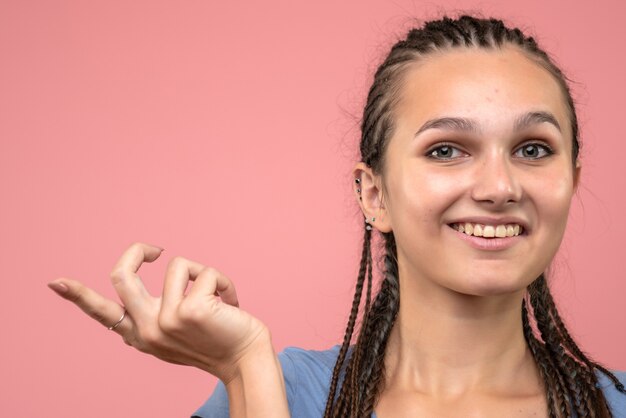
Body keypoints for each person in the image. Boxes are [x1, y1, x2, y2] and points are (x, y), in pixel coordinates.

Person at [48, 14, 626, 418]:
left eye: (533, 149)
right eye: (446, 149)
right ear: (373, 195)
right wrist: (247, 374)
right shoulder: (280, 390)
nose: (500, 187)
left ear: (571, 179)